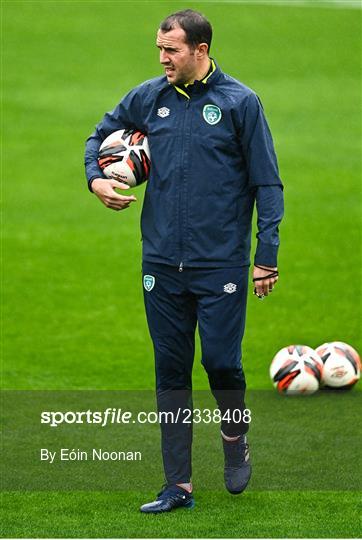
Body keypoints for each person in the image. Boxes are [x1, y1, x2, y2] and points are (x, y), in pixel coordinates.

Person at [84, 9, 284, 514]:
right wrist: (97, 177)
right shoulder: (148, 98)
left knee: (220, 362)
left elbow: (267, 182)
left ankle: (235, 433)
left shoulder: (240, 103)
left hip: (220, 264)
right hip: (160, 262)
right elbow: (99, 136)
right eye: (159, 49)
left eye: (171, 50)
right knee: (170, 371)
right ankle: (178, 485)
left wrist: (266, 257)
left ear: (200, 49)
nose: (162, 58)